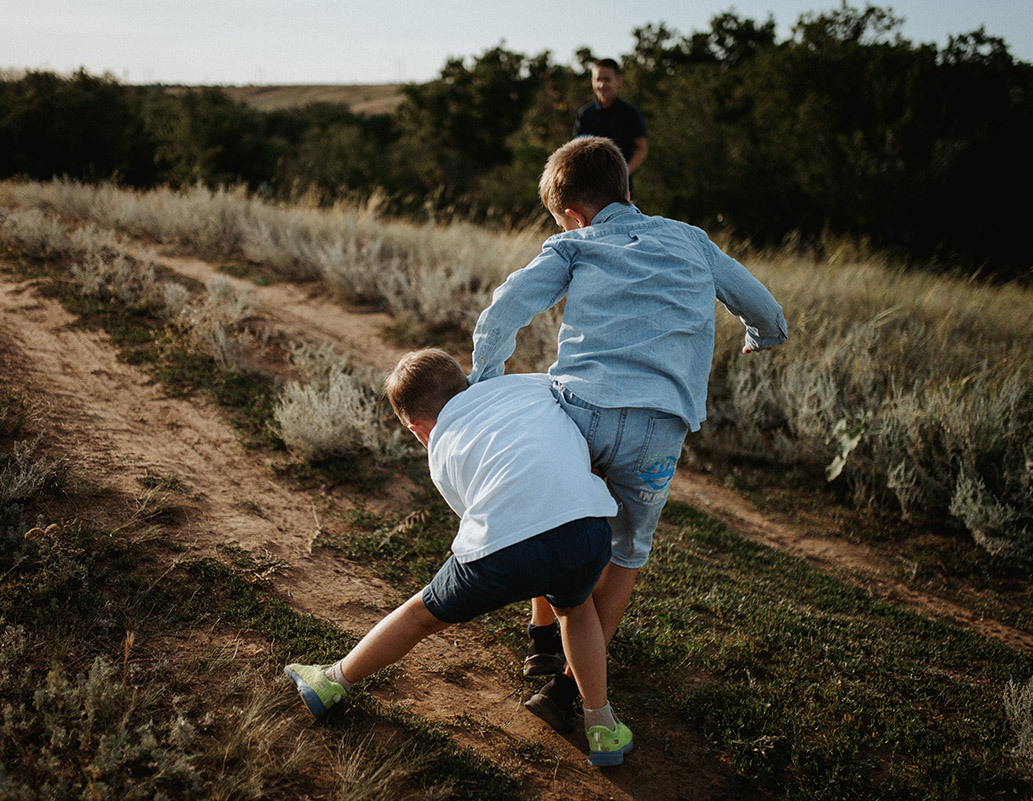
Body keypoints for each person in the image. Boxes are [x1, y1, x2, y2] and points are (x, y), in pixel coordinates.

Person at [467, 136, 788, 730]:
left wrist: (485, 372)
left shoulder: (574, 243)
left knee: (556, 516)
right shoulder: (692, 239)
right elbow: (762, 305)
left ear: (570, 213)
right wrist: (762, 335)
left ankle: (544, 638)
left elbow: (509, 303)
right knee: (626, 552)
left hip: (581, 410)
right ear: (625, 189)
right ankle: (567, 690)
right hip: (658, 430)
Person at [284, 348, 635, 767]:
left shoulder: (440, 448)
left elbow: (480, 518)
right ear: (463, 382)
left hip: (505, 548)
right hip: (587, 526)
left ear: (417, 429)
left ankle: (330, 681)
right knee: (577, 613)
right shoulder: (529, 384)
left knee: (420, 615)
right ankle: (602, 727)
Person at [574, 58, 647, 177]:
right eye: (598, 79)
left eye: (607, 80)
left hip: (620, 187)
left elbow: (642, 148)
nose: (601, 84)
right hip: (590, 186)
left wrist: (624, 173)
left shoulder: (630, 113)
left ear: (618, 81)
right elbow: (578, 148)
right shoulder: (585, 114)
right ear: (592, 80)